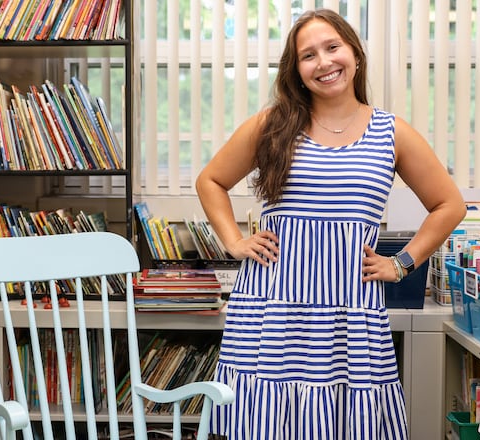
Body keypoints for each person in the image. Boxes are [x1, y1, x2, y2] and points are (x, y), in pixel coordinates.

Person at [195, 8, 466, 440]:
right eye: (308, 55)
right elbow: (210, 180)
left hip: (349, 313)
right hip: (270, 307)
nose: (323, 62)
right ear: (297, 70)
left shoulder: (390, 132)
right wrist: (233, 241)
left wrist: (401, 264)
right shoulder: (273, 124)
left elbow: (449, 205)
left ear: (355, 54)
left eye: (332, 47)